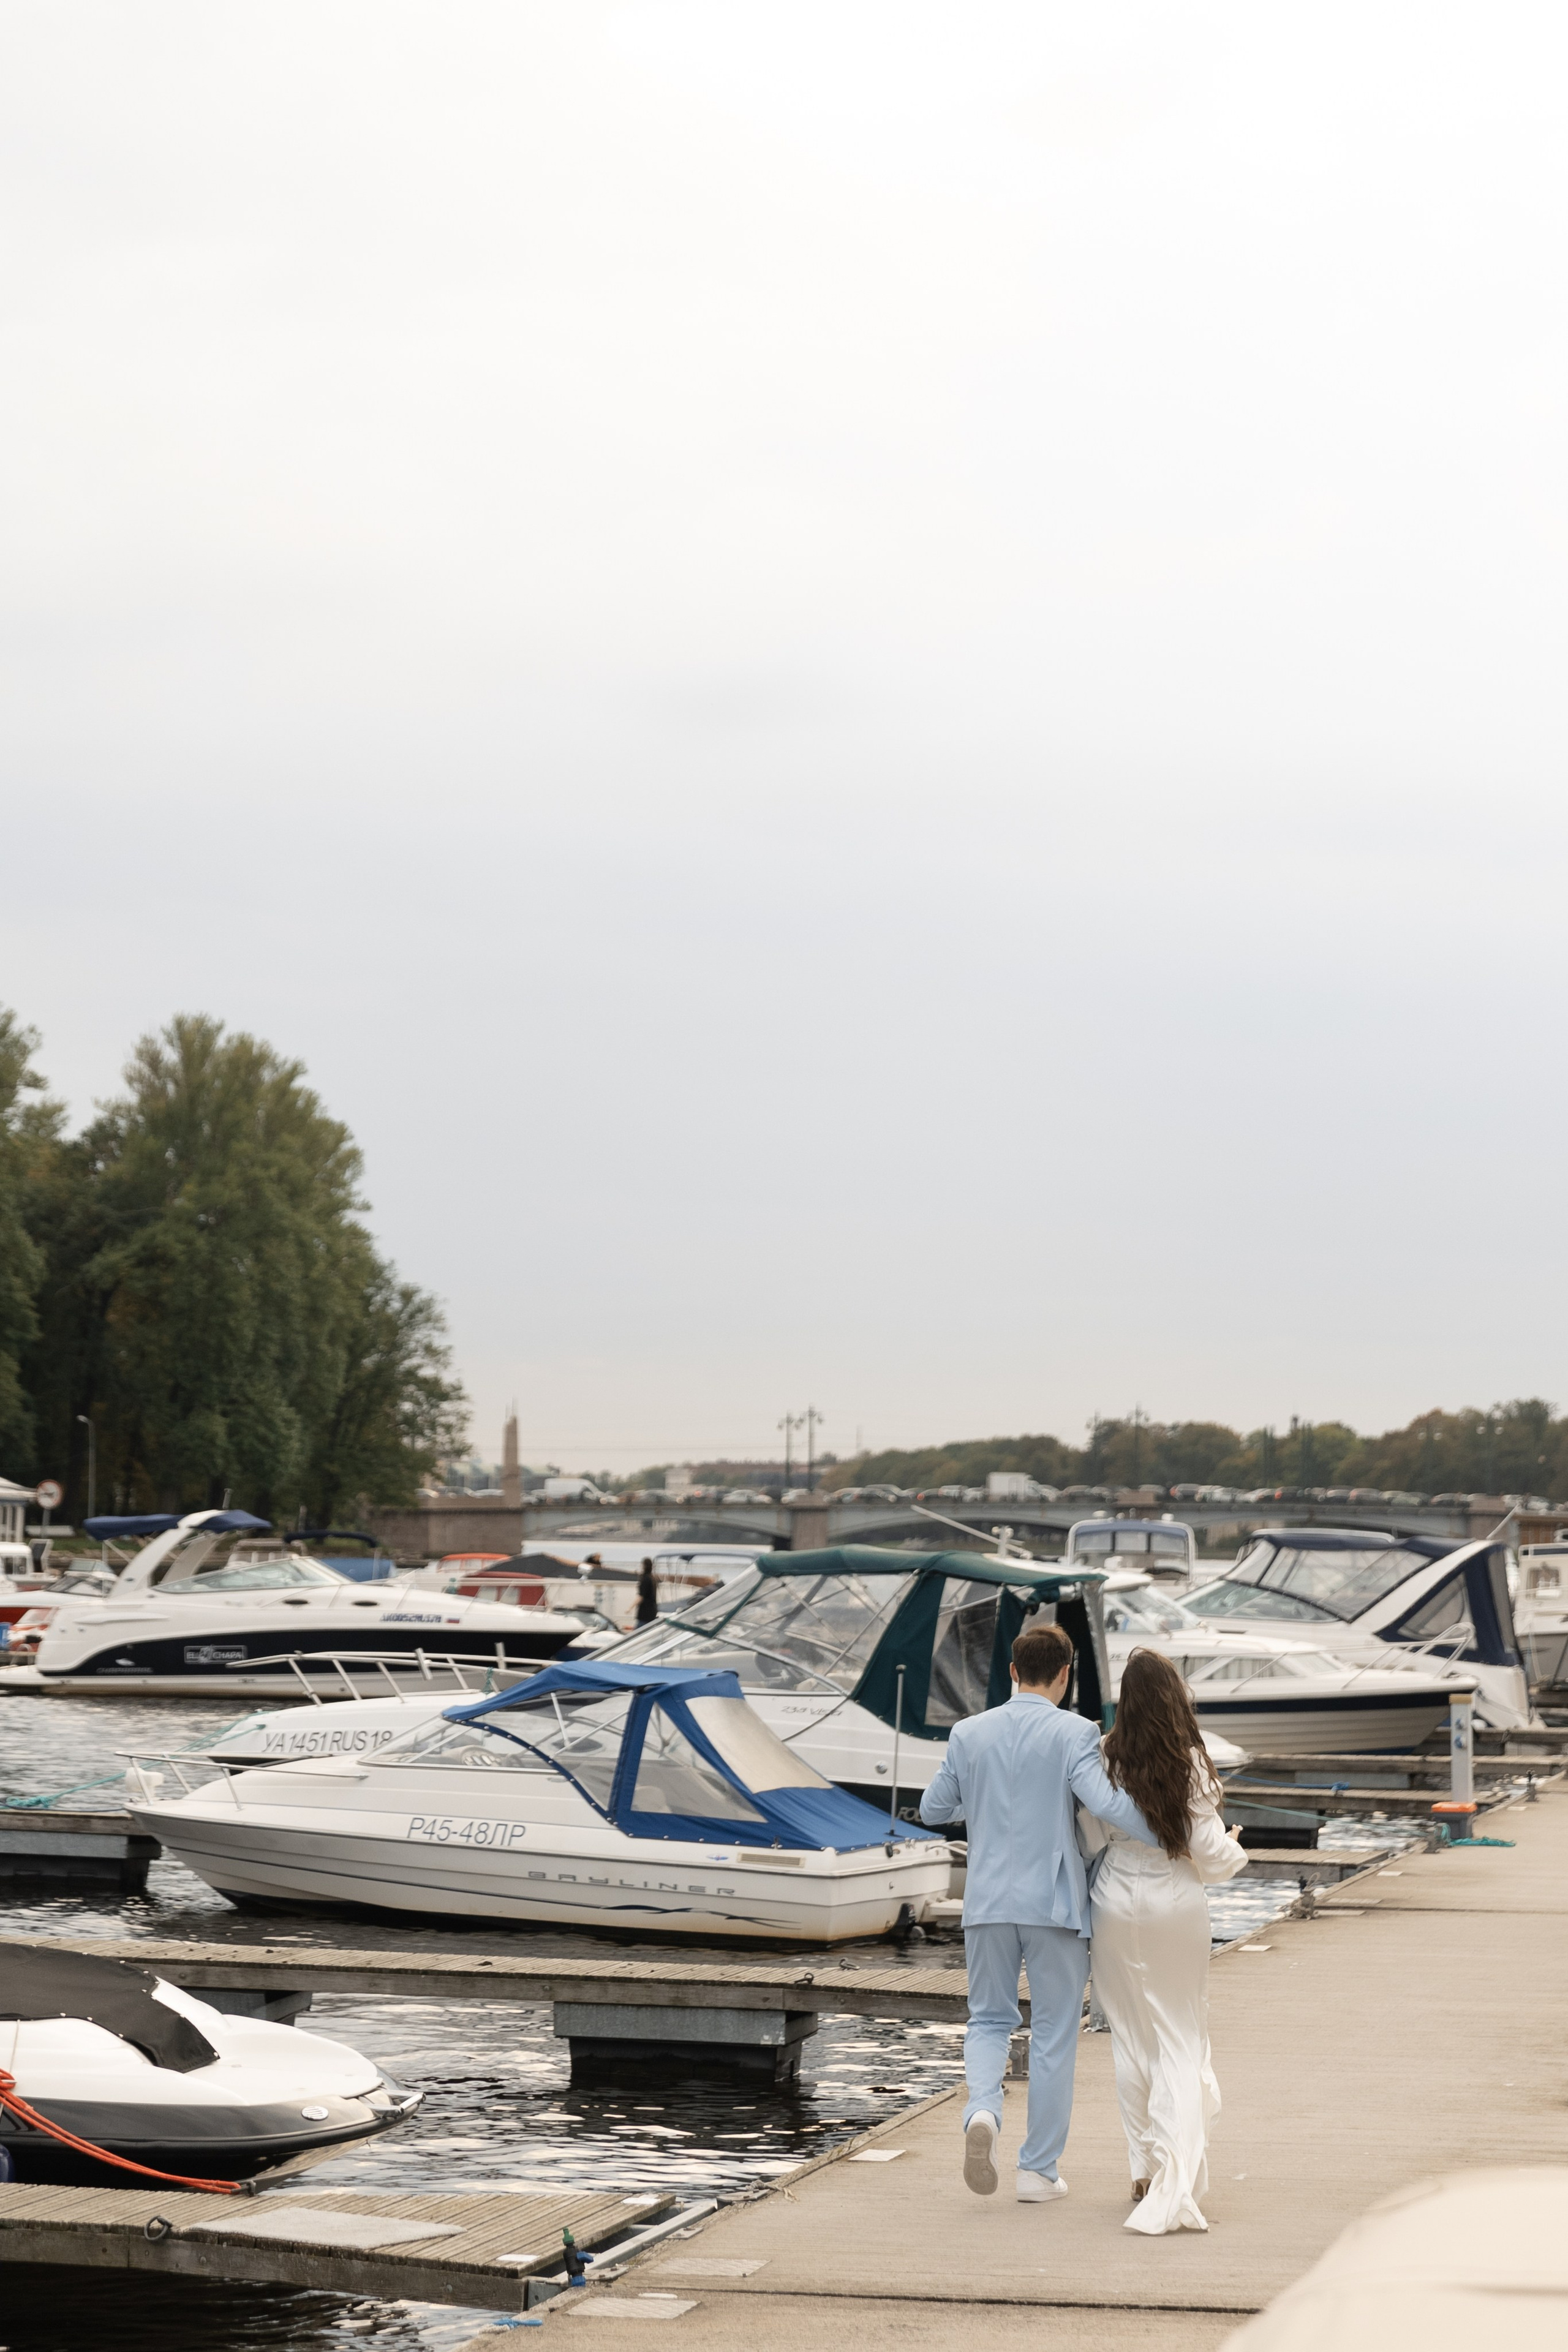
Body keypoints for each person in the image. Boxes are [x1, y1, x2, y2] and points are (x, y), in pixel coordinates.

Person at [919, 1621, 1158, 2204]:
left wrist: (979, 1793)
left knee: (988, 2020)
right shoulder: (1076, 1732)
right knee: (1053, 2033)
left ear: (1012, 1672)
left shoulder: (968, 1733)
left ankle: (983, 2111)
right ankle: (1038, 2172)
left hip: (986, 1903)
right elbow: (1105, 1803)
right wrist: (1172, 1834)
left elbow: (932, 1809)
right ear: (1065, 1674)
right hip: (1053, 1904)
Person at [1082, 1645, 1248, 2236]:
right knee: (1179, 2037)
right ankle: (1174, 2171)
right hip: (1173, 1900)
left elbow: (1091, 1836)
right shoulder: (1189, 1759)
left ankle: (1145, 2167)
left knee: (1131, 2039)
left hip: (1113, 1899)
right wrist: (1235, 1848)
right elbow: (1206, 1850)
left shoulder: (1105, 1755)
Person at [635, 1557, 658, 1626]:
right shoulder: (652, 1579)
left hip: (645, 1613)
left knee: (639, 1630)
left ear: (644, 1566)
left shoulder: (645, 1579)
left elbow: (641, 1597)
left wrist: (630, 1608)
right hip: (652, 1611)